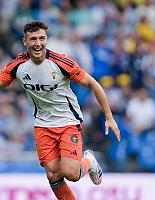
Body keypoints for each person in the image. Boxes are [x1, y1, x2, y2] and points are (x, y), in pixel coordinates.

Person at [0, 20, 121, 200]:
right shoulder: (17, 66)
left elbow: (93, 84)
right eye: (33, 39)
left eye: (42, 38)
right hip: (42, 125)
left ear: (47, 40)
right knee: (53, 175)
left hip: (68, 122)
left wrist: (109, 117)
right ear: (25, 41)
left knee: (71, 173)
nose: (38, 43)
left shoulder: (60, 62)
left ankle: (89, 160)